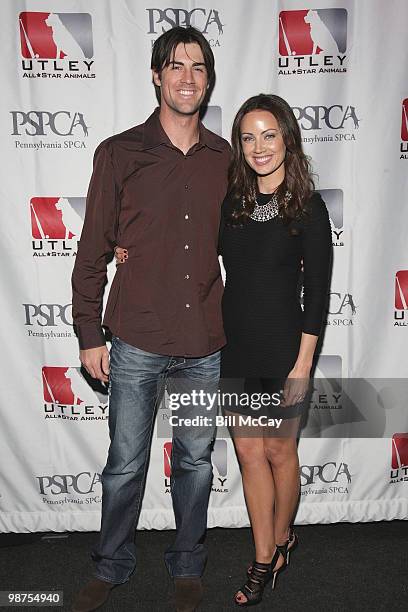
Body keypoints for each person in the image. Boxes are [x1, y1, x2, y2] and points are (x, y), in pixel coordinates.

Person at [115, 93, 332, 607]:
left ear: (288, 139)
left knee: (280, 451)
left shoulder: (308, 207)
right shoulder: (232, 203)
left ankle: (281, 541)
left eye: (269, 135)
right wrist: (130, 248)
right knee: (249, 453)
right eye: (248, 137)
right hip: (235, 346)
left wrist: (302, 366)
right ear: (239, 144)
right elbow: (181, 238)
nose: (259, 147)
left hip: (283, 350)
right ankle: (262, 560)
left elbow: (318, 295)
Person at [71, 26, 230, 612]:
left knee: (194, 462)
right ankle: (111, 565)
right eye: (176, 66)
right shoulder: (118, 153)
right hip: (135, 336)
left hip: (204, 342)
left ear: (208, 80)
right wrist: (90, 333)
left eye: (198, 67)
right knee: (123, 466)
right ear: (157, 76)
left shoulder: (226, 158)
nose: (187, 77)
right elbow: (92, 251)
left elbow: (244, 243)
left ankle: (187, 565)